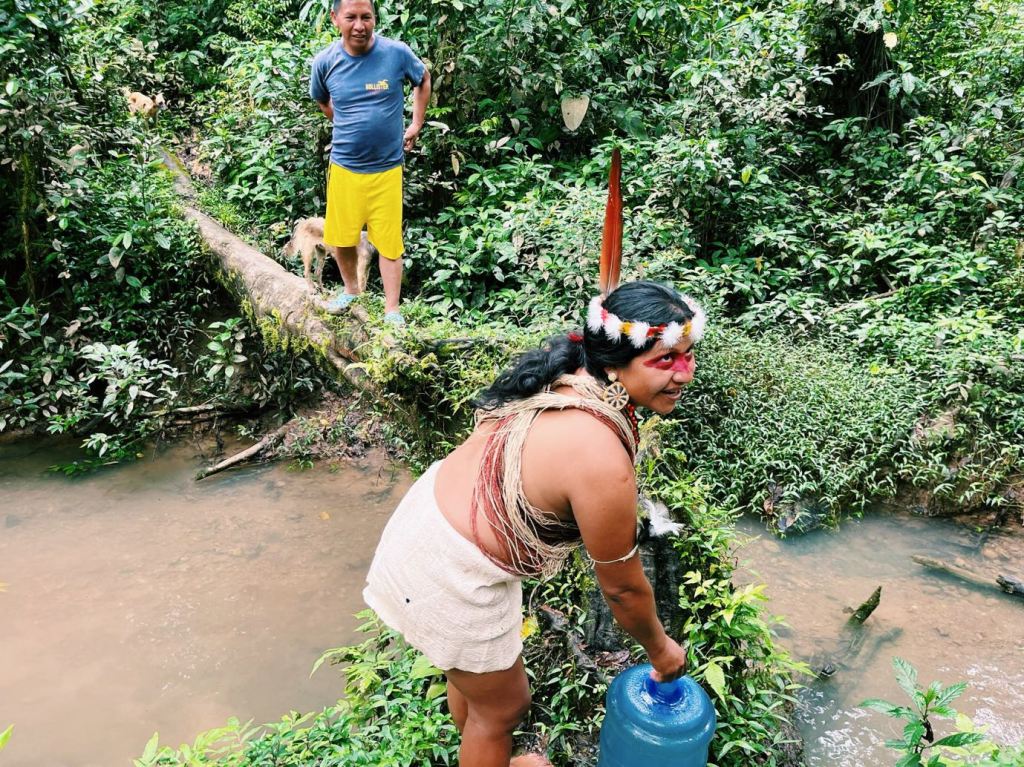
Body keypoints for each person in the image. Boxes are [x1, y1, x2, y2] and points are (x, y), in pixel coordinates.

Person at [363, 281, 707, 767]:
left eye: (687, 356)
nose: (685, 373)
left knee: (479, 688)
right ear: (614, 363)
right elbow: (623, 589)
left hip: (426, 526)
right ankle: (488, 746)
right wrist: (661, 649)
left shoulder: (571, 374)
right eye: (665, 360)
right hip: (450, 569)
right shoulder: (599, 458)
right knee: (503, 707)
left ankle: (485, 749)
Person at [309, 0, 431, 325]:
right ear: (335, 18)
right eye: (351, 17)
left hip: (387, 169)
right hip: (345, 167)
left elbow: (423, 79)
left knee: (390, 243)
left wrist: (416, 124)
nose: (360, 25)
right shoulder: (325, 62)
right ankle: (351, 291)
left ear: (375, 18)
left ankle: (392, 310)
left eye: (367, 17)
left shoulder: (396, 53)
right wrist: (346, 121)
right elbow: (322, 99)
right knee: (342, 237)